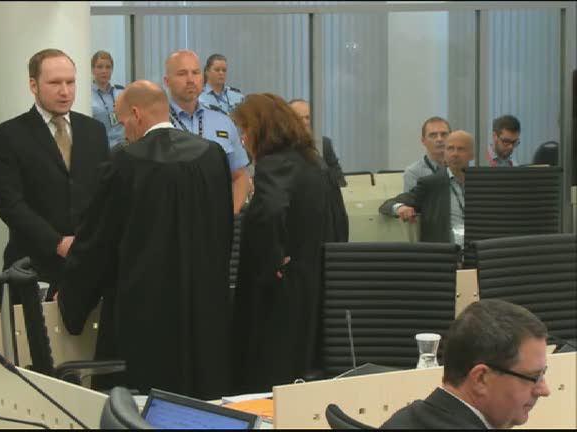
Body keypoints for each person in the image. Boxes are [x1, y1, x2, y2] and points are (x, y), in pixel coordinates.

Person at [56, 80, 234, 400]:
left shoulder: (125, 162)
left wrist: (72, 299)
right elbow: (224, 229)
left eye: (123, 121)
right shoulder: (212, 155)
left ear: (136, 115)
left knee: (142, 404)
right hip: (204, 307)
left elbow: (98, 241)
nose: (124, 132)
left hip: (143, 313)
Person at [231, 93, 349, 393]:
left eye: (245, 130)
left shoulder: (274, 164)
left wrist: (272, 260)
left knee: (267, 373)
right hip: (315, 280)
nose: (243, 139)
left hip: (278, 290)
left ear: (262, 128)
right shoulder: (315, 162)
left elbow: (269, 212)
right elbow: (340, 219)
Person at [0, 49, 109, 304]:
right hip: (31, 266)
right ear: (33, 85)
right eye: (55, 83)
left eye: (70, 82)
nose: (65, 91)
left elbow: (104, 195)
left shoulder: (94, 131)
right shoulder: (8, 135)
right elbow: (8, 203)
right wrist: (56, 242)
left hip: (87, 266)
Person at [382, 299, 551, 429]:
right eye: (533, 377)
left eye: (543, 374)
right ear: (481, 379)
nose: (544, 390)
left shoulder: (403, 420)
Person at [164, 49, 251, 214]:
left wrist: (230, 215)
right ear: (167, 81)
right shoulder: (157, 122)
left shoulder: (223, 122)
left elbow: (240, 176)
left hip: (216, 218)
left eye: (195, 73)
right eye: (182, 74)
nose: (190, 80)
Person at [379, 130, 474, 245]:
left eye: (461, 149)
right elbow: (388, 204)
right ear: (444, 153)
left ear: (472, 154)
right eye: (450, 148)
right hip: (446, 251)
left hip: (478, 249)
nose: (455, 154)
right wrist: (400, 208)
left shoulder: (483, 183)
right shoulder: (430, 184)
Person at [287, 98, 347, 187]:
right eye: (299, 118)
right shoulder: (279, 145)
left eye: (307, 118)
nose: (304, 122)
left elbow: (340, 181)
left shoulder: (323, 144)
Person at [403, 117, 451, 192]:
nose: (439, 139)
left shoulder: (461, 168)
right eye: (433, 135)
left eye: (444, 134)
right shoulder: (413, 173)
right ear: (423, 141)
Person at [90, 50, 125, 149]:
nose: (104, 71)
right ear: (92, 70)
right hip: (100, 147)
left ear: (112, 70)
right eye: (99, 67)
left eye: (108, 67)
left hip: (123, 146)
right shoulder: (87, 97)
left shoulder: (121, 93)